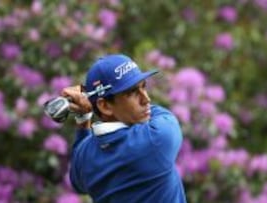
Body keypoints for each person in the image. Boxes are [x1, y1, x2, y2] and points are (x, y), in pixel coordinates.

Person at [61, 54, 186, 203]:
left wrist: (83, 117)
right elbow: (162, 116)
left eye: (143, 86)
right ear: (105, 106)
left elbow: (77, 182)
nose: (146, 99)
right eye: (132, 92)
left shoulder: (84, 157)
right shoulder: (156, 139)